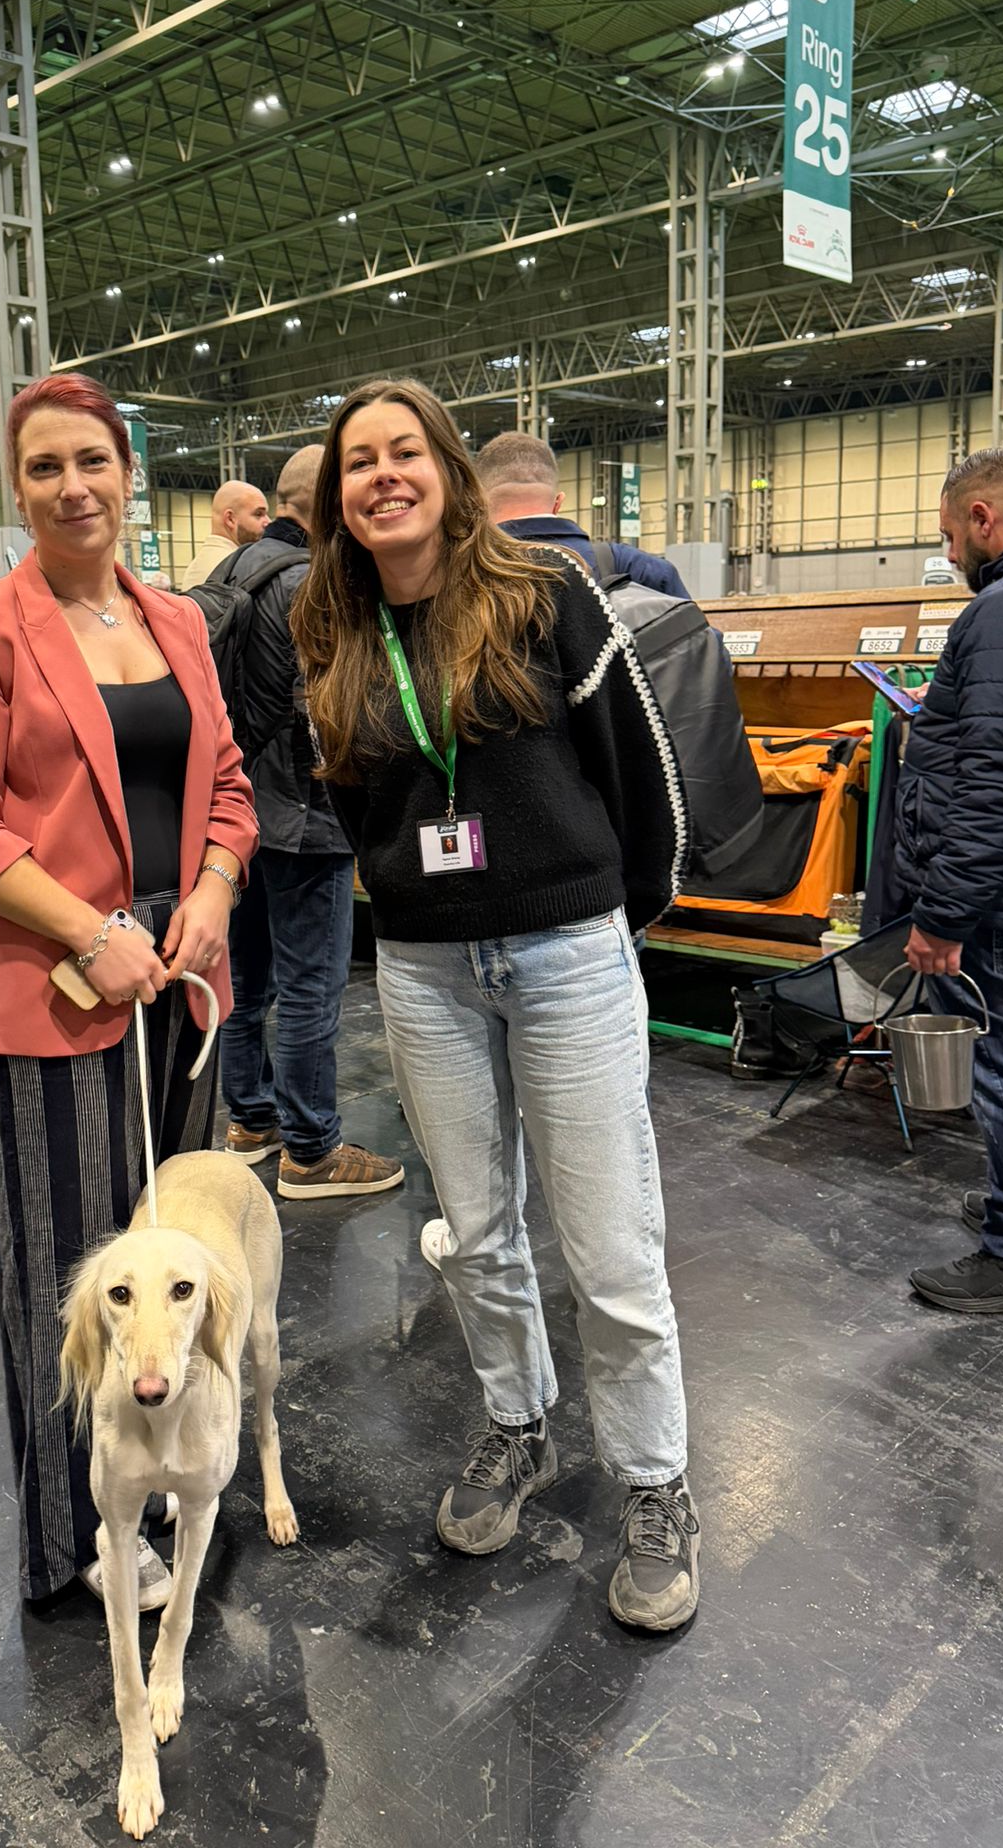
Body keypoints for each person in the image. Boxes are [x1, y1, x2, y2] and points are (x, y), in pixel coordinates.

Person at [290, 377, 700, 1632]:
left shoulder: (543, 594)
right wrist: (413, 899)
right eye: (359, 461)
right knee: (476, 1232)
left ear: (447, 468)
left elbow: (636, 767)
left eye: (403, 451)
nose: (382, 476)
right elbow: (361, 803)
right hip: (423, 969)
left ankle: (653, 1481)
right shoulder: (333, 629)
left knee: (612, 1246)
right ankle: (516, 1428)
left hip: (569, 952)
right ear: (337, 495)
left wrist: (609, 913)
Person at [0, 370, 257, 1611]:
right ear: (17, 486)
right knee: (70, 1283)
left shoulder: (180, 622)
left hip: (182, 983)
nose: (74, 486)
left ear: (128, 473)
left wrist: (214, 889)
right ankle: (76, 1542)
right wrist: (89, 928)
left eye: (93, 461)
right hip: (57, 992)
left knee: (171, 1263)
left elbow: (226, 788)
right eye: (45, 466)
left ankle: (172, 1476)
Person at [216, 444, 401, 1199]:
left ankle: (250, 1121)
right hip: (306, 817)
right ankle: (312, 1149)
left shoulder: (228, 572)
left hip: (231, 814)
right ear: (324, 505)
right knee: (309, 989)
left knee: (243, 980)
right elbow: (340, 709)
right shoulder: (316, 583)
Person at [897, 448, 1003, 1314]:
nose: (950, 555)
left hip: (999, 897)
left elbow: (996, 783)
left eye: (951, 536)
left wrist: (945, 915)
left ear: (984, 518)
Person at [476, 432, 691, 597]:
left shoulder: (463, 575)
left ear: (481, 504)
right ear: (557, 503)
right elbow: (702, 647)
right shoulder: (630, 568)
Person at [178, 480, 270, 590]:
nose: (268, 522)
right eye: (258, 514)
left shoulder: (199, 565)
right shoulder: (236, 568)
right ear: (230, 519)